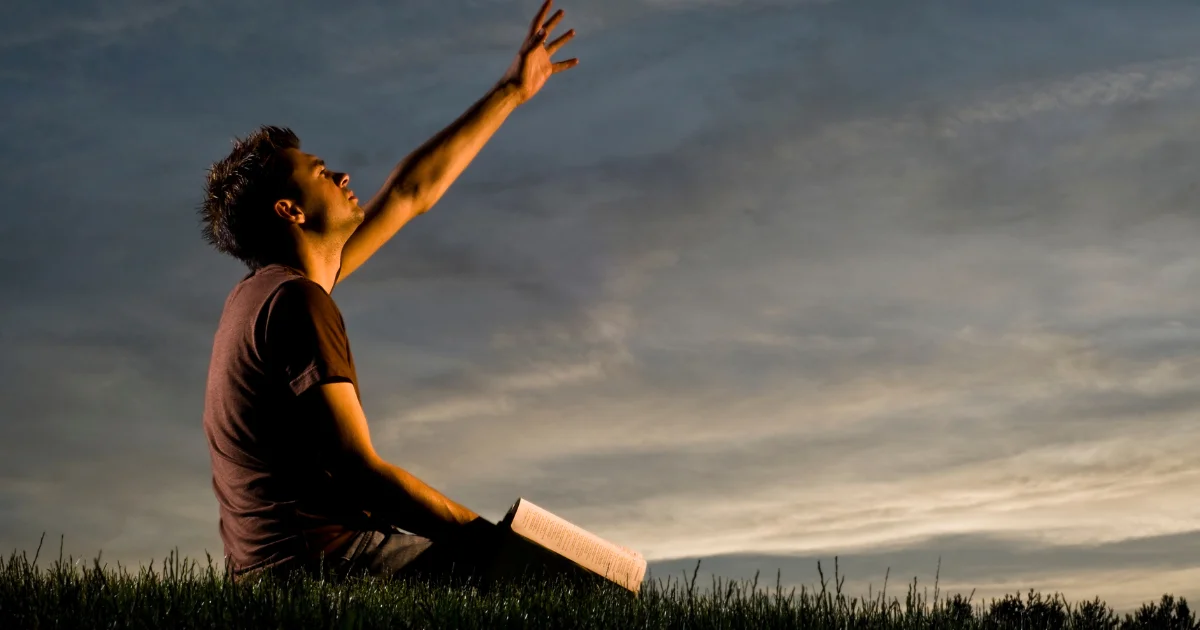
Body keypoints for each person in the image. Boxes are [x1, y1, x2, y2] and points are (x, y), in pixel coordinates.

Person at [198, 0, 578, 586]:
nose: (344, 177)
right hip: (325, 566)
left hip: (273, 568)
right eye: (321, 173)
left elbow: (409, 193)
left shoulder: (258, 298)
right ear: (291, 210)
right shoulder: (297, 303)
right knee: (556, 587)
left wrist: (512, 91)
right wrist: (491, 542)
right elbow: (359, 472)